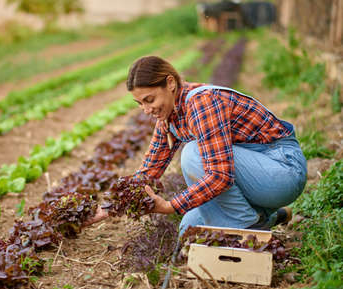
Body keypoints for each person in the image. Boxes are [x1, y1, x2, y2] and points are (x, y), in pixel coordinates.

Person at [85, 55, 307, 234]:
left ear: (170, 83)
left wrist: (170, 206)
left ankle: (249, 227)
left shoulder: (201, 103)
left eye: (150, 99)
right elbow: (149, 171)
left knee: (192, 153)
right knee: (189, 228)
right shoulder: (168, 117)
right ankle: (268, 217)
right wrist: (107, 208)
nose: (146, 110)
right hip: (255, 178)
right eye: (140, 103)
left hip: (282, 171)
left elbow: (220, 176)